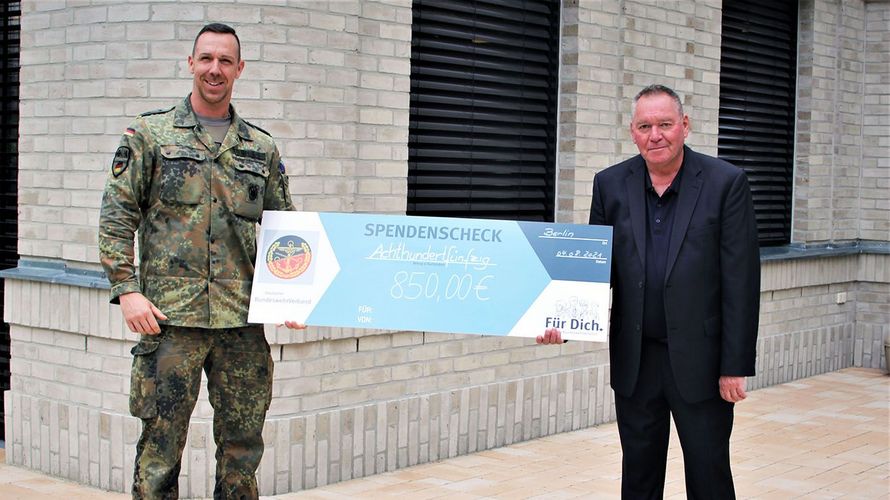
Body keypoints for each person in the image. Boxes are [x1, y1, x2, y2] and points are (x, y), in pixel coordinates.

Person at [98, 23, 305, 499]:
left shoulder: (260, 147)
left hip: (241, 323)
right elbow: (116, 216)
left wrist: (295, 292)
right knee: (160, 450)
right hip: (169, 323)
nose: (216, 69)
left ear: (239, 69)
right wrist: (127, 289)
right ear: (191, 64)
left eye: (225, 61)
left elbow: (287, 231)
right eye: (207, 58)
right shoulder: (150, 135)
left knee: (242, 451)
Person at [538, 84, 760, 498]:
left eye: (664, 124)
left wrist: (735, 364)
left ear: (685, 126)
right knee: (638, 478)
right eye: (645, 126)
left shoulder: (725, 183)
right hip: (636, 361)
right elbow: (596, 270)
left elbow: (741, 281)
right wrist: (560, 321)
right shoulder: (609, 185)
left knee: (709, 474)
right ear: (633, 132)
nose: (655, 134)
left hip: (702, 363)